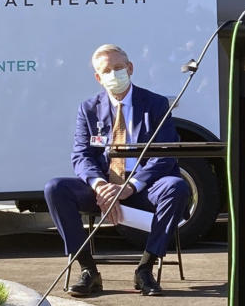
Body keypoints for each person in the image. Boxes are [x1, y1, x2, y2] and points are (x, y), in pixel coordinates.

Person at [44, 44, 189, 297]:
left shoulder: (155, 104)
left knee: (176, 186)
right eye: (107, 70)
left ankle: (145, 268)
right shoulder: (88, 109)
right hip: (104, 187)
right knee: (55, 188)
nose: (114, 74)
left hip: (144, 188)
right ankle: (88, 270)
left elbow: (165, 154)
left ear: (130, 68)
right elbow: (81, 155)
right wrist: (101, 186)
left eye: (119, 68)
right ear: (98, 78)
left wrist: (129, 187)